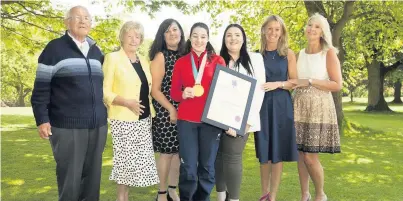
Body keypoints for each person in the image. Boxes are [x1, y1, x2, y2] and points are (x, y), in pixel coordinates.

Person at [31, 6, 107, 201]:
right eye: (77, 17)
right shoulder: (54, 49)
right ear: (67, 22)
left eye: (87, 18)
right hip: (67, 126)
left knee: (92, 180)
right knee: (70, 180)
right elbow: (40, 89)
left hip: (97, 125)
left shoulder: (97, 51)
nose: (83, 21)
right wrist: (42, 119)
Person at [102, 21, 159, 201]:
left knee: (135, 167)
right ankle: (121, 198)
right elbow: (104, 91)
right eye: (130, 35)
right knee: (124, 166)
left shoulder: (143, 61)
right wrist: (126, 102)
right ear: (122, 37)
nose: (134, 39)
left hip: (143, 120)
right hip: (123, 119)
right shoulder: (112, 58)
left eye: (138, 36)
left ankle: (126, 197)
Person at [170, 22, 226, 201]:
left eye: (203, 36)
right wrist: (182, 93)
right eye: (195, 36)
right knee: (188, 168)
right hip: (187, 121)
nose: (199, 40)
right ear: (189, 37)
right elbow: (174, 93)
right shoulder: (181, 62)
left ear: (208, 39)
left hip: (210, 121)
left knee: (207, 167)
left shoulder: (218, 61)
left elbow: (225, 91)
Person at [290, 13, 342, 201]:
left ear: (322, 32)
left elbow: (337, 84)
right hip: (299, 106)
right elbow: (294, 82)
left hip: (319, 108)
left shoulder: (328, 53)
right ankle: (305, 194)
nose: (312, 29)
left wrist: (310, 81)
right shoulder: (299, 54)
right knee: (301, 154)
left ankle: (320, 194)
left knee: (311, 157)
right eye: (310, 25)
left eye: (317, 26)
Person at [214, 24, 265, 201]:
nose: (233, 38)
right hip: (217, 118)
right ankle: (221, 197)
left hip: (242, 120)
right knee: (218, 157)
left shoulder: (255, 59)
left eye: (237, 35)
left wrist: (245, 123)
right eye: (229, 35)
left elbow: (259, 92)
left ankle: (234, 199)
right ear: (224, 39)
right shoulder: (218, 60)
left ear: (243, 38)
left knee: (233, 157)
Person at [254, 15, 299, 201]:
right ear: (264, 30)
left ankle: (272, 196)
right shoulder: (256, 55)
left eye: (277, 29)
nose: (273, 32)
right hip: (262, 106)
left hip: (281, 105)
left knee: (277, 152)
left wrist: (278, 84)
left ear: (282, 32)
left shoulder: (288, 54)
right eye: (270, 28)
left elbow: (294, 82)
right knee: (264, 152)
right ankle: (263, 194)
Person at [149, 18, 186, 201]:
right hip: (166, 112)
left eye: (175, 30)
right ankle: (162, 193)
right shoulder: (160, 56)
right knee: (166, 154)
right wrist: (171, 109)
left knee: (178, 154)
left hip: (185, 112)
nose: (172, 33)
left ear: (181, 33)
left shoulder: (185, 55)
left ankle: (172, 189)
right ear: (162, 36)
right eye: (168, 31)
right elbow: (155, 90)